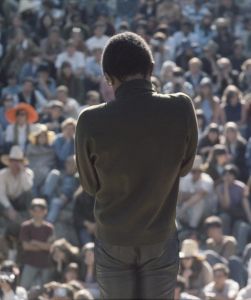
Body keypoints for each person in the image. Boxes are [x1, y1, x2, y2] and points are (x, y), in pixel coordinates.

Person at [75, 32, 198, 299]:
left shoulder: (90, 120)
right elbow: (185, 167)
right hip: (160, 236)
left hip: (114, 240)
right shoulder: (180, 108)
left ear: (108, 78)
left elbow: (90, 185)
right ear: (151, 69)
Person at [19, 198, 54, 290]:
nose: (38, 213)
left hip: (46, 264)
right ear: (31, 211)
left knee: (45, 290)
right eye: (35, 211)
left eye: (40, 211)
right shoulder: (25, 226)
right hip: (30, 263)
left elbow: (50, 247)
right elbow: (26, 247)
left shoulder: (49, 228)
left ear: (45, 211)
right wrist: (43, 246)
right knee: (23, 289)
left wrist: (35, 242)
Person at [0, 145, 34, 222]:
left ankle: (29, 217)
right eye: (13, 161)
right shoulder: (2, 174)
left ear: (22, 163)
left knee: (28, 194)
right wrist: (9, 208)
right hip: (7, 202)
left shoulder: (28, 173)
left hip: (20, 201)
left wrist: (22, 172)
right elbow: (1, 194)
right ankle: (9, 215)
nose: (15, 163)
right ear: (9, 162)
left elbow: (27, 188)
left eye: (18, 161)